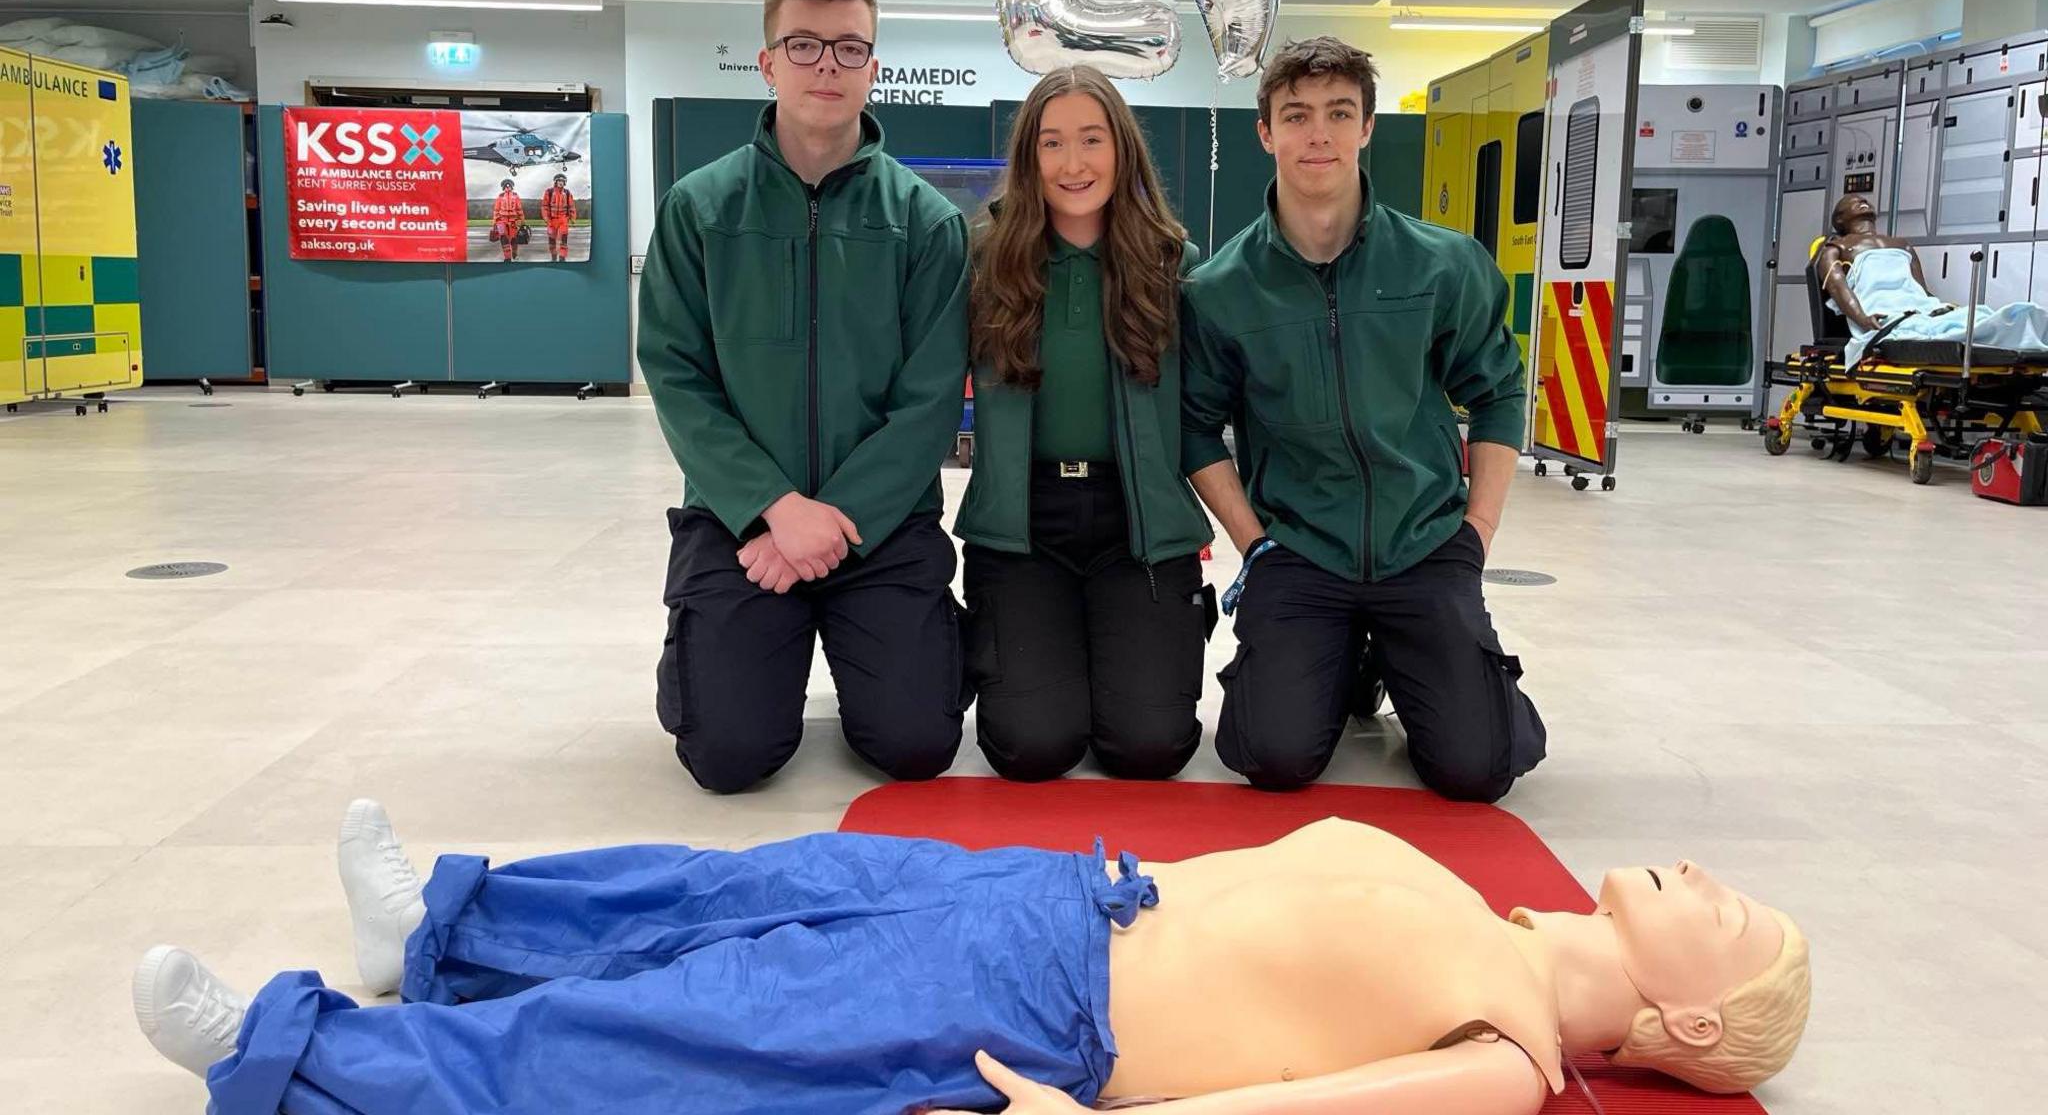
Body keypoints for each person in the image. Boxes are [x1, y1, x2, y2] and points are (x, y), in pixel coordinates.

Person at [135, 801, 1811, 1115]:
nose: (1707, 877)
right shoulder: (1494, 911)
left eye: (1724, 913)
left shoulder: (1507, 1055)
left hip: (1042, 1008)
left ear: (1679, 1011)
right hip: (1061, 893)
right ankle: (444, 922)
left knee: (690, 1032)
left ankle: (293, 1064)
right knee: (750, 884)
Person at [1180, 37, 1546, 802]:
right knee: (1267, 756)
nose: (1318, 134)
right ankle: (1347, 657)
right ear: (1266, 132)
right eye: (1297, 115)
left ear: (1368, 127)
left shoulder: (1442, 265)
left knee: (1480, 768)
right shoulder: (1220, 289)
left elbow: (1501, 392)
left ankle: (1413, 656)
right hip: (1302, 551)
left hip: (1424, 541)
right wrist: (1255, 545)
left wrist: (1476, 530)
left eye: (1339, 114)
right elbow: (1193, 425)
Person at [636, 0, 971, 794]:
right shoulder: (699, 209)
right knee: (728, 758)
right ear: (769, 62)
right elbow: (677, 376)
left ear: (874, 67)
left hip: (883, 526)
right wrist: (776, 510)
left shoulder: (925, 223)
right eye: (806, 44)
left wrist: (838, 519)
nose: (828, 64)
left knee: (916, 747)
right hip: (742, 525)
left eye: (849, 47)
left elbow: (930, 401)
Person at [954, 65, 1215, 783]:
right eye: (1052, 143)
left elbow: (1209, 414)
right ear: (1028, 159)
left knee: (1150, 748)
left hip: (1137, 526)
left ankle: (1127, 668)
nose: (1073, 164)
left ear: (1122, 149)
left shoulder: (1173, 266)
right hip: (1022, 524)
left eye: (1092, 139)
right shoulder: (985, 264)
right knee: (1028, 749)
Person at [1816, 193, 2048, 366]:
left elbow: (1921, 291)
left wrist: (1941, 308)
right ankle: (2019, 328)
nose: (1861, 200)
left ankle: (2025, 323)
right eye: (1852, 201)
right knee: (1956, 329)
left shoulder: (1902, 244)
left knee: (1974, 315)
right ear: (1839, 218)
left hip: (1920, 309)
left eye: (1864, 198)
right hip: (1886, 315)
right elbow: (1838, 287)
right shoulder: (1837, 248)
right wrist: (1863, 319)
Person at [542, 172, 578, 262]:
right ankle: (553, 256)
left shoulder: (567, 192)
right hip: (552, 220)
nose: (561, 183)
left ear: (565, 183)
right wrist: (546, 218)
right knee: (551, 240)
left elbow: (571, 206)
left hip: (563, 219)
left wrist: (573, 217)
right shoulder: (549, 192)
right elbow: (545, 206)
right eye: (559, 181)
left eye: (562, 181)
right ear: (555, 182)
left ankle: (562, 257)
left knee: (564, 239)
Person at [491, 177, 524, 262]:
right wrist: (495, 222)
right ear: (503, 187)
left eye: (509, 186)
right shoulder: (500, 197)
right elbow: (496, 210)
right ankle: (507, 258)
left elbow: (519, 209)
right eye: (506, 186)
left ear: (512, 187)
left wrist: (522, 221)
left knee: (514, 239)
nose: (507, 187)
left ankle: (515, 254)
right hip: (502, 221)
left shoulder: (516, 196)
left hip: (514, 221)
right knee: (504, 239)